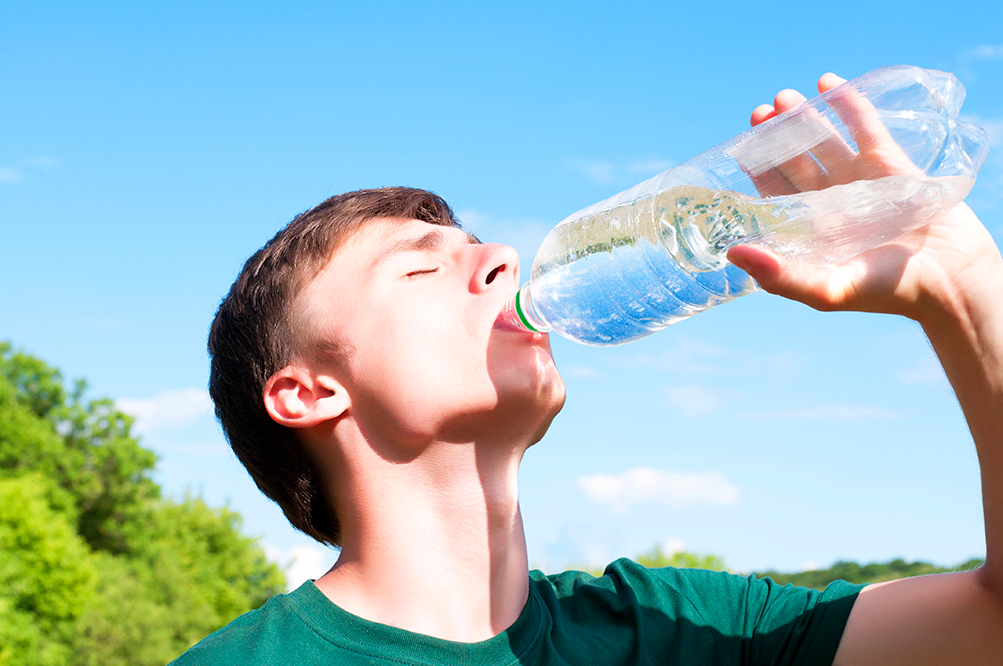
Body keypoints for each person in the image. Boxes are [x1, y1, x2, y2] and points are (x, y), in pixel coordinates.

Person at [171, 74, 1003, 665]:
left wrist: (966, 290)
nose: (501, 257)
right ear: (308, 391)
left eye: (480, 246)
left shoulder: (677, 630)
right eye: (420, 268)